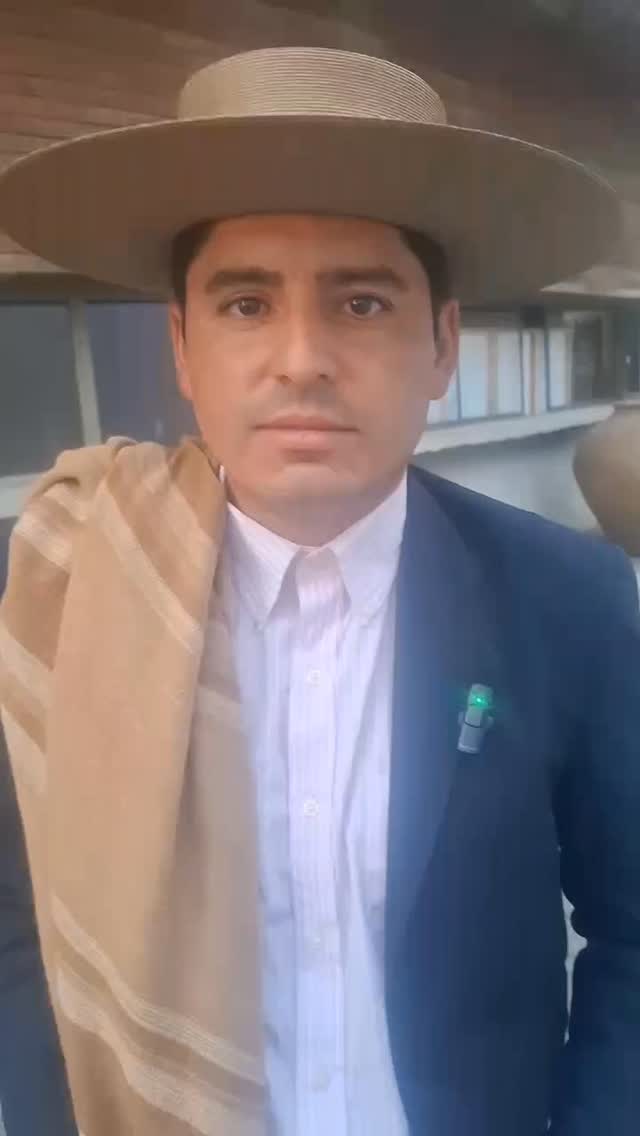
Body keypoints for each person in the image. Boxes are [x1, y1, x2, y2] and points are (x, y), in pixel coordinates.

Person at [0, 46, 639, 1136]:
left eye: (361, 301)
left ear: (441, 343)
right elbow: (20, 931)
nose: (301, 358)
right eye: (247, 303)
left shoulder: (563, 598)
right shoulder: (69, 595)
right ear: (182, 347)